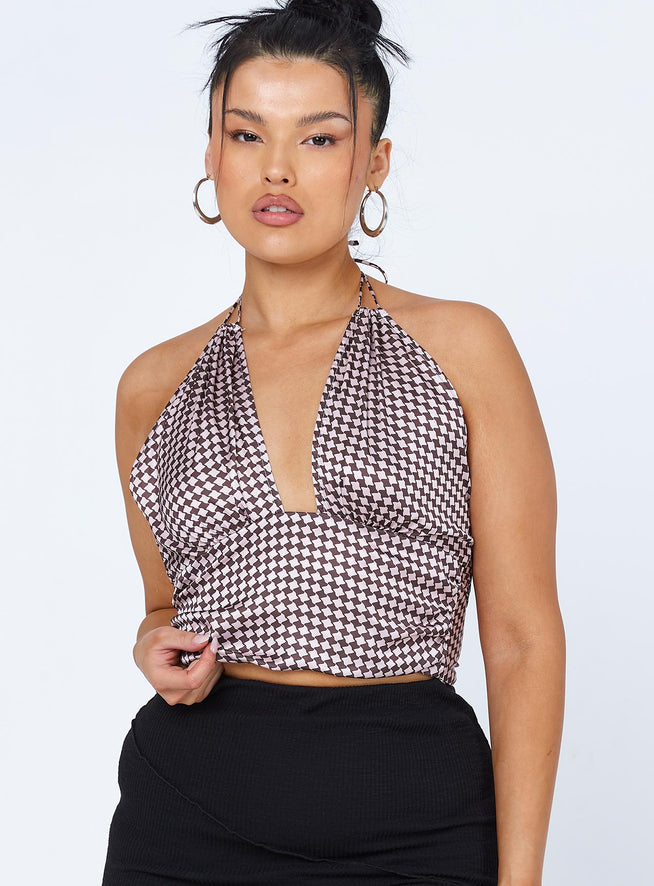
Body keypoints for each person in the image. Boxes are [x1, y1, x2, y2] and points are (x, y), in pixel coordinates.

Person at [102, 1, 566, 884]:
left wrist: (522, 880)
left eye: (319, 138)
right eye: (246, 134)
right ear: (211, 153)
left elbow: (521, 639)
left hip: (415, 819)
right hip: (187, 816)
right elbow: (164, 608)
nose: (276, 168)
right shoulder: (152, 385)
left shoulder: (463, 347)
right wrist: (155, 645)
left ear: (373, 161)